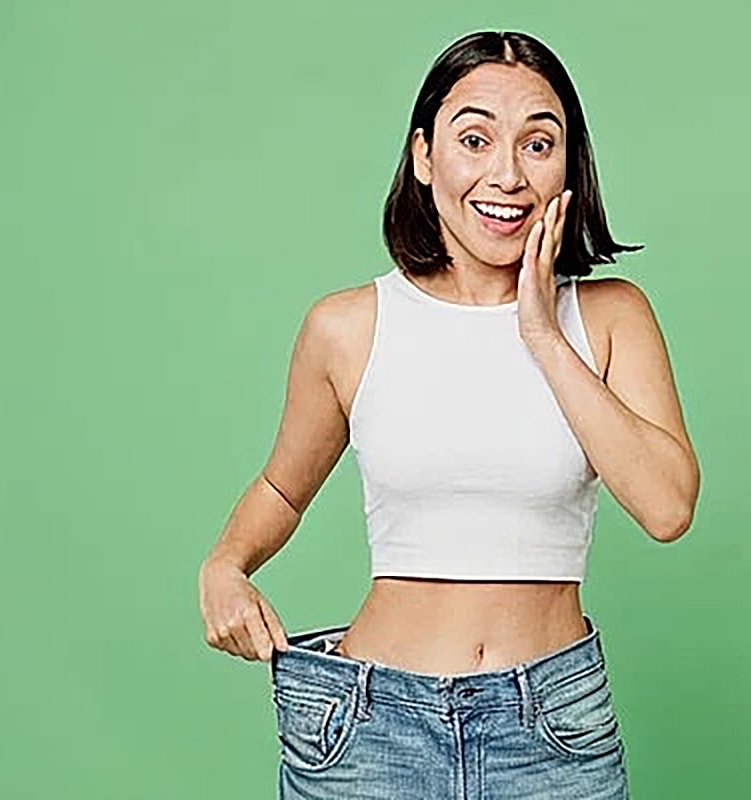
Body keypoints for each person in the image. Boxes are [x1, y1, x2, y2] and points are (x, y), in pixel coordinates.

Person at [198, 30, 701, 799]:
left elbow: (667, 507)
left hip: (552, 734)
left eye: (539, 144)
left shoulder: (610, 318)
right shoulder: (347, 327)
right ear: (424, 156)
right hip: (367, 731)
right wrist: (224, 565)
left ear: (568, 165)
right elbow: (282, 489)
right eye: (475, 139)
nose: (508, 174)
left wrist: (542, 334)